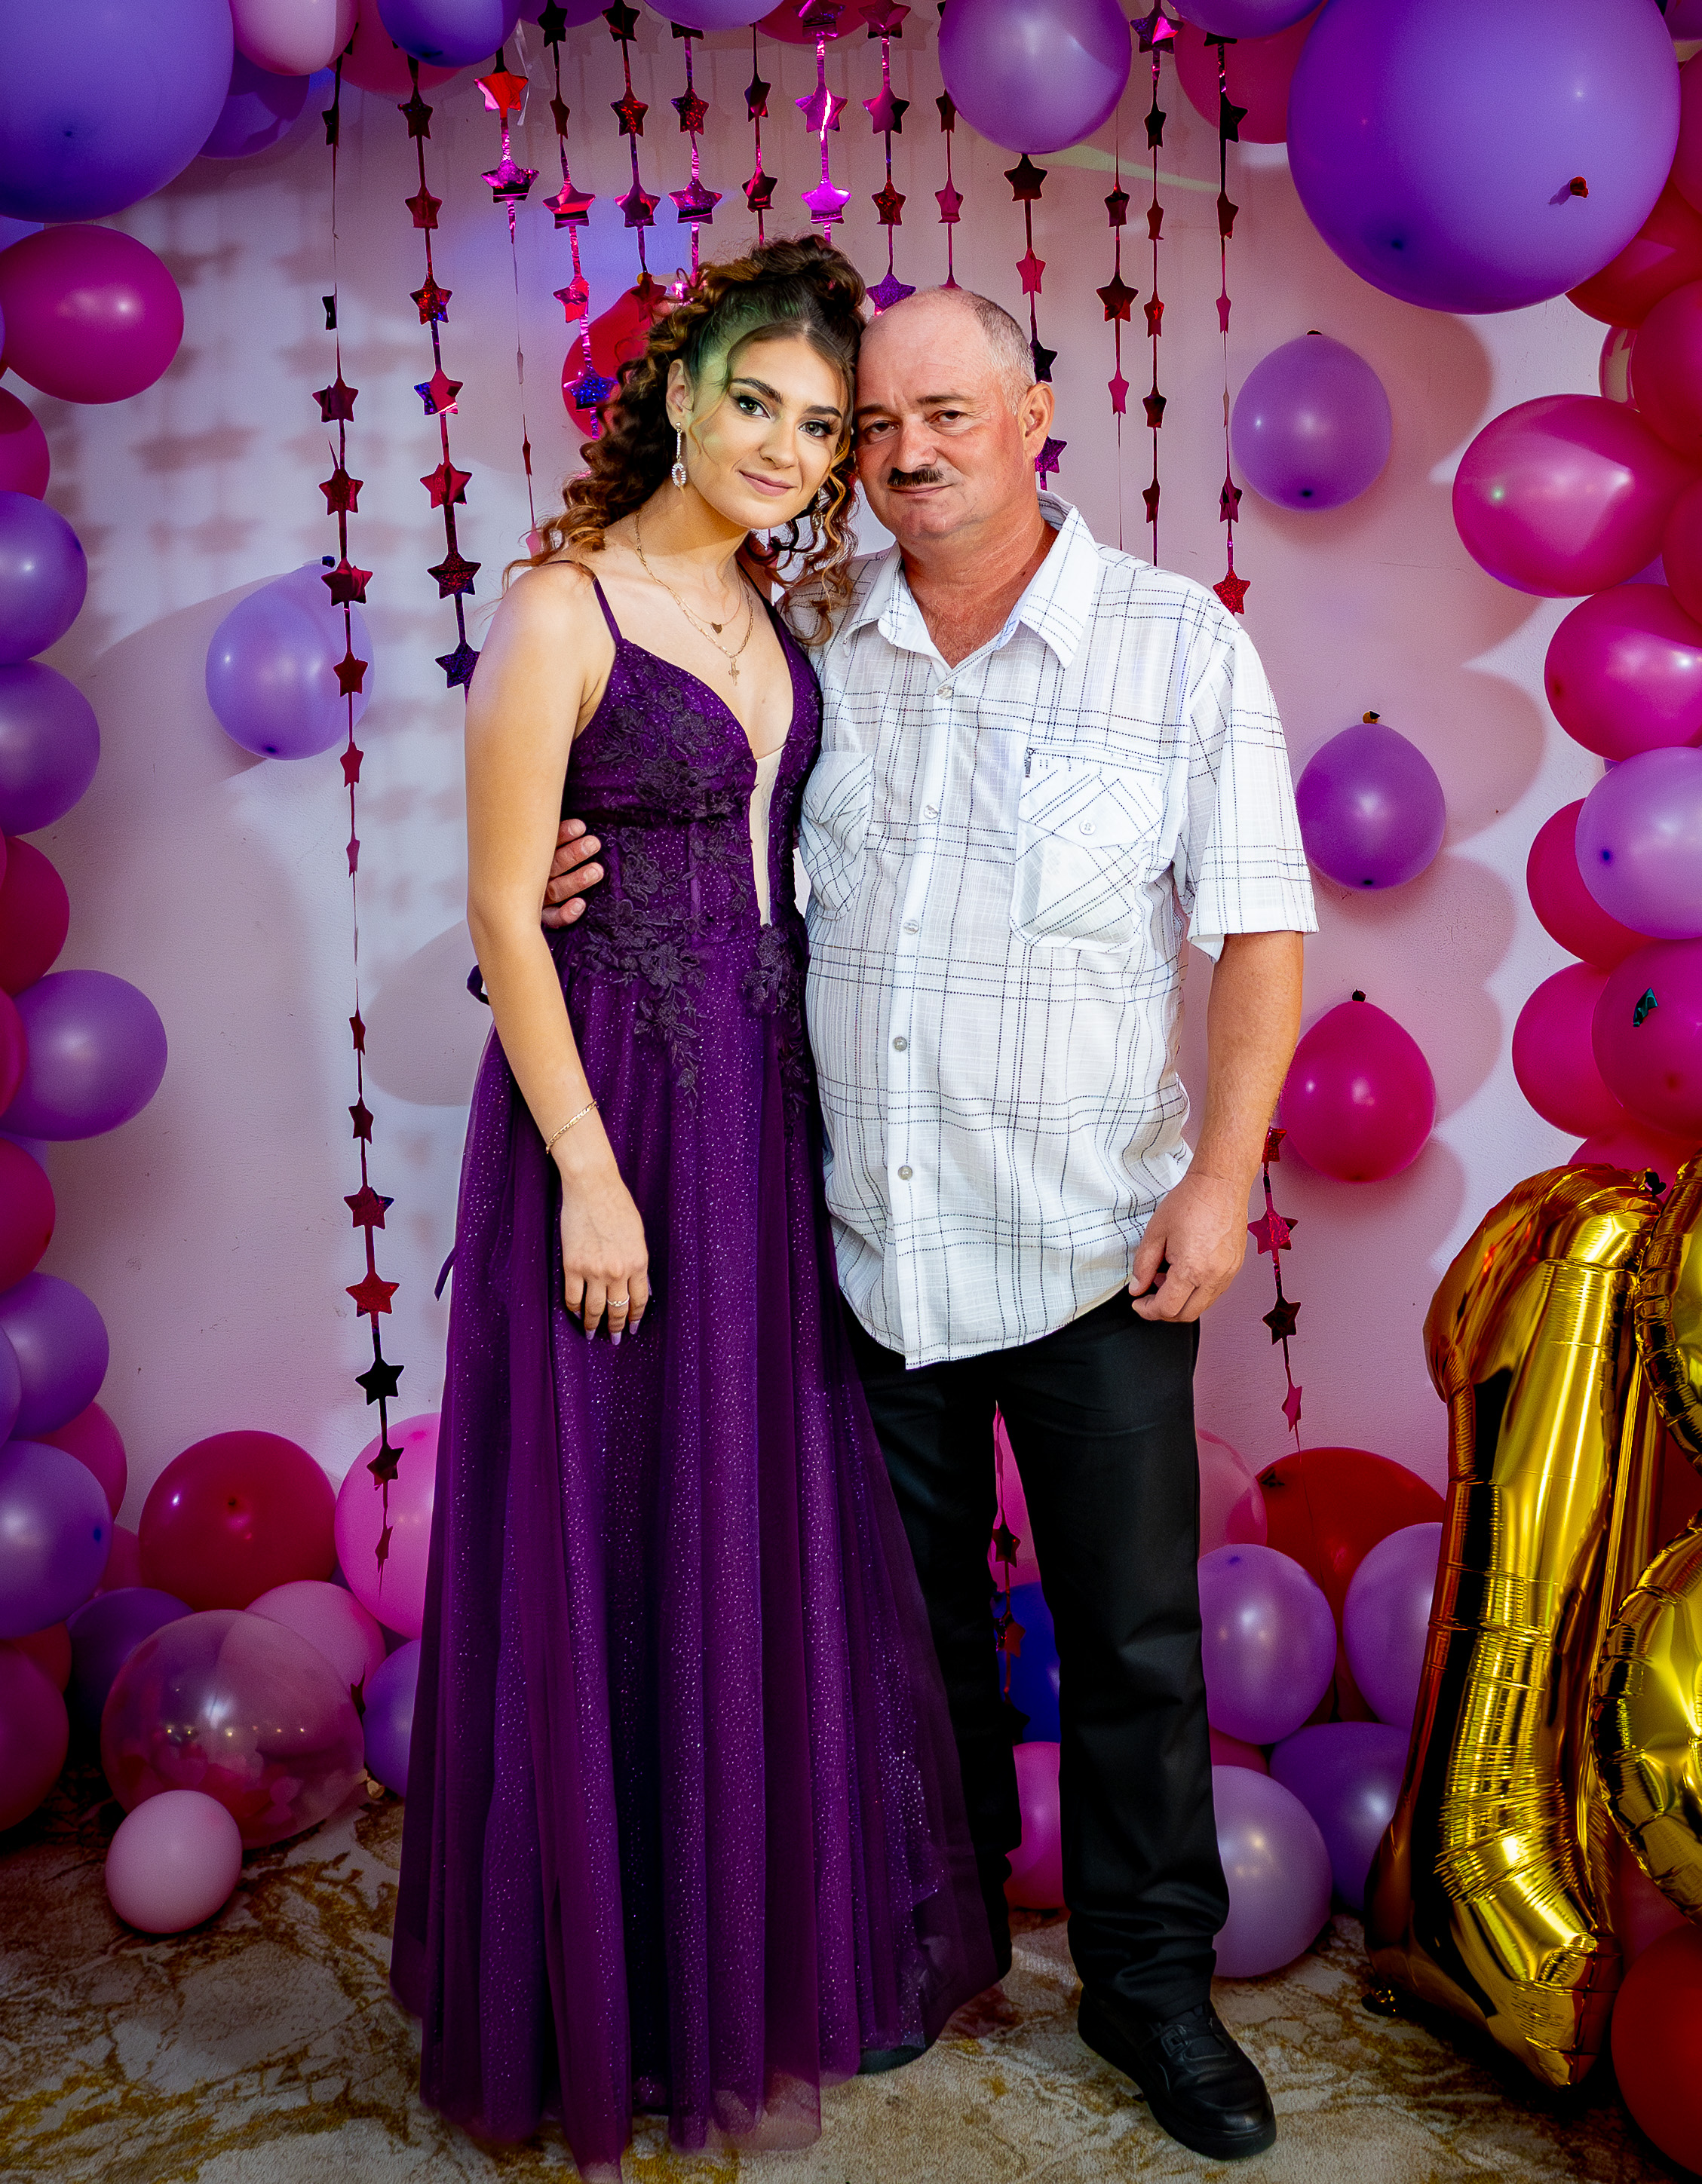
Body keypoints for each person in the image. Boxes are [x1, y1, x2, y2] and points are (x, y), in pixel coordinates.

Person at [544, 283, 1317, 2162]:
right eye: (871, 426)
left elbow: (1257, 930)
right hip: (855, 1248)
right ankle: (927, 1944)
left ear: (1035, 417)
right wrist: (574, 862)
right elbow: (688, 825)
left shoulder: (1174, 646)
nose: (901, 455)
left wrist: (1223, 1177)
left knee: (1132, 1646)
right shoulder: (808, 633)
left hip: (1089, 1243)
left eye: (943, 415)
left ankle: (1150, 1989)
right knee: (900, 1639)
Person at [391, 240, 995, 2182]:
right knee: (608, 1518)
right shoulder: (559, 607)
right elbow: (506, 911)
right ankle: (608, 1998)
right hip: (614, 1119)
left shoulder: (774, 614)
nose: (786, 449)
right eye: (756, 402)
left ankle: (733, 1959)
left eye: (819, 427)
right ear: (675, 394)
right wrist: (586, 1171)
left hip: (757, 1117)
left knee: (737, 1516)